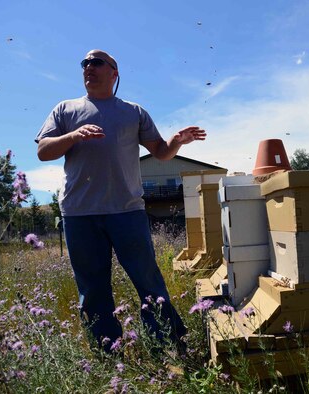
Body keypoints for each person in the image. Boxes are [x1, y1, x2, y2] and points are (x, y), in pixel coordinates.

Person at [35, 49, 206, 353]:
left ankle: (168, 345)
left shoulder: (133, 111)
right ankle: (107, 353)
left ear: (114, 73)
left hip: (127, 211)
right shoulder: (65, 109)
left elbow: (160, 152)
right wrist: (73, 136)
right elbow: (44, 150)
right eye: (84, 63)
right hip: (79, 214)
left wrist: (176, 141)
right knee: (92, 289)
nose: (89, 67)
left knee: (149, 282)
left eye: (96, 62)